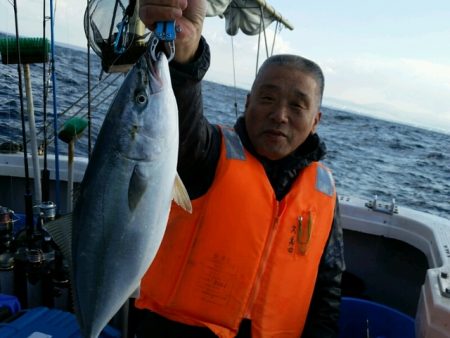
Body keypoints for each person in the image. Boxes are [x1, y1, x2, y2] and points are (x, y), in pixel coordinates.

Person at [134, 0, 345, 337]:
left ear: (316, 120)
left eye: (297, 105)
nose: (280, 115)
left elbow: (328, 283)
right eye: (267, 98)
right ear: (248, 102)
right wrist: (186, 53)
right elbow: (182, 123)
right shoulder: (208, 152)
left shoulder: (323, 192)